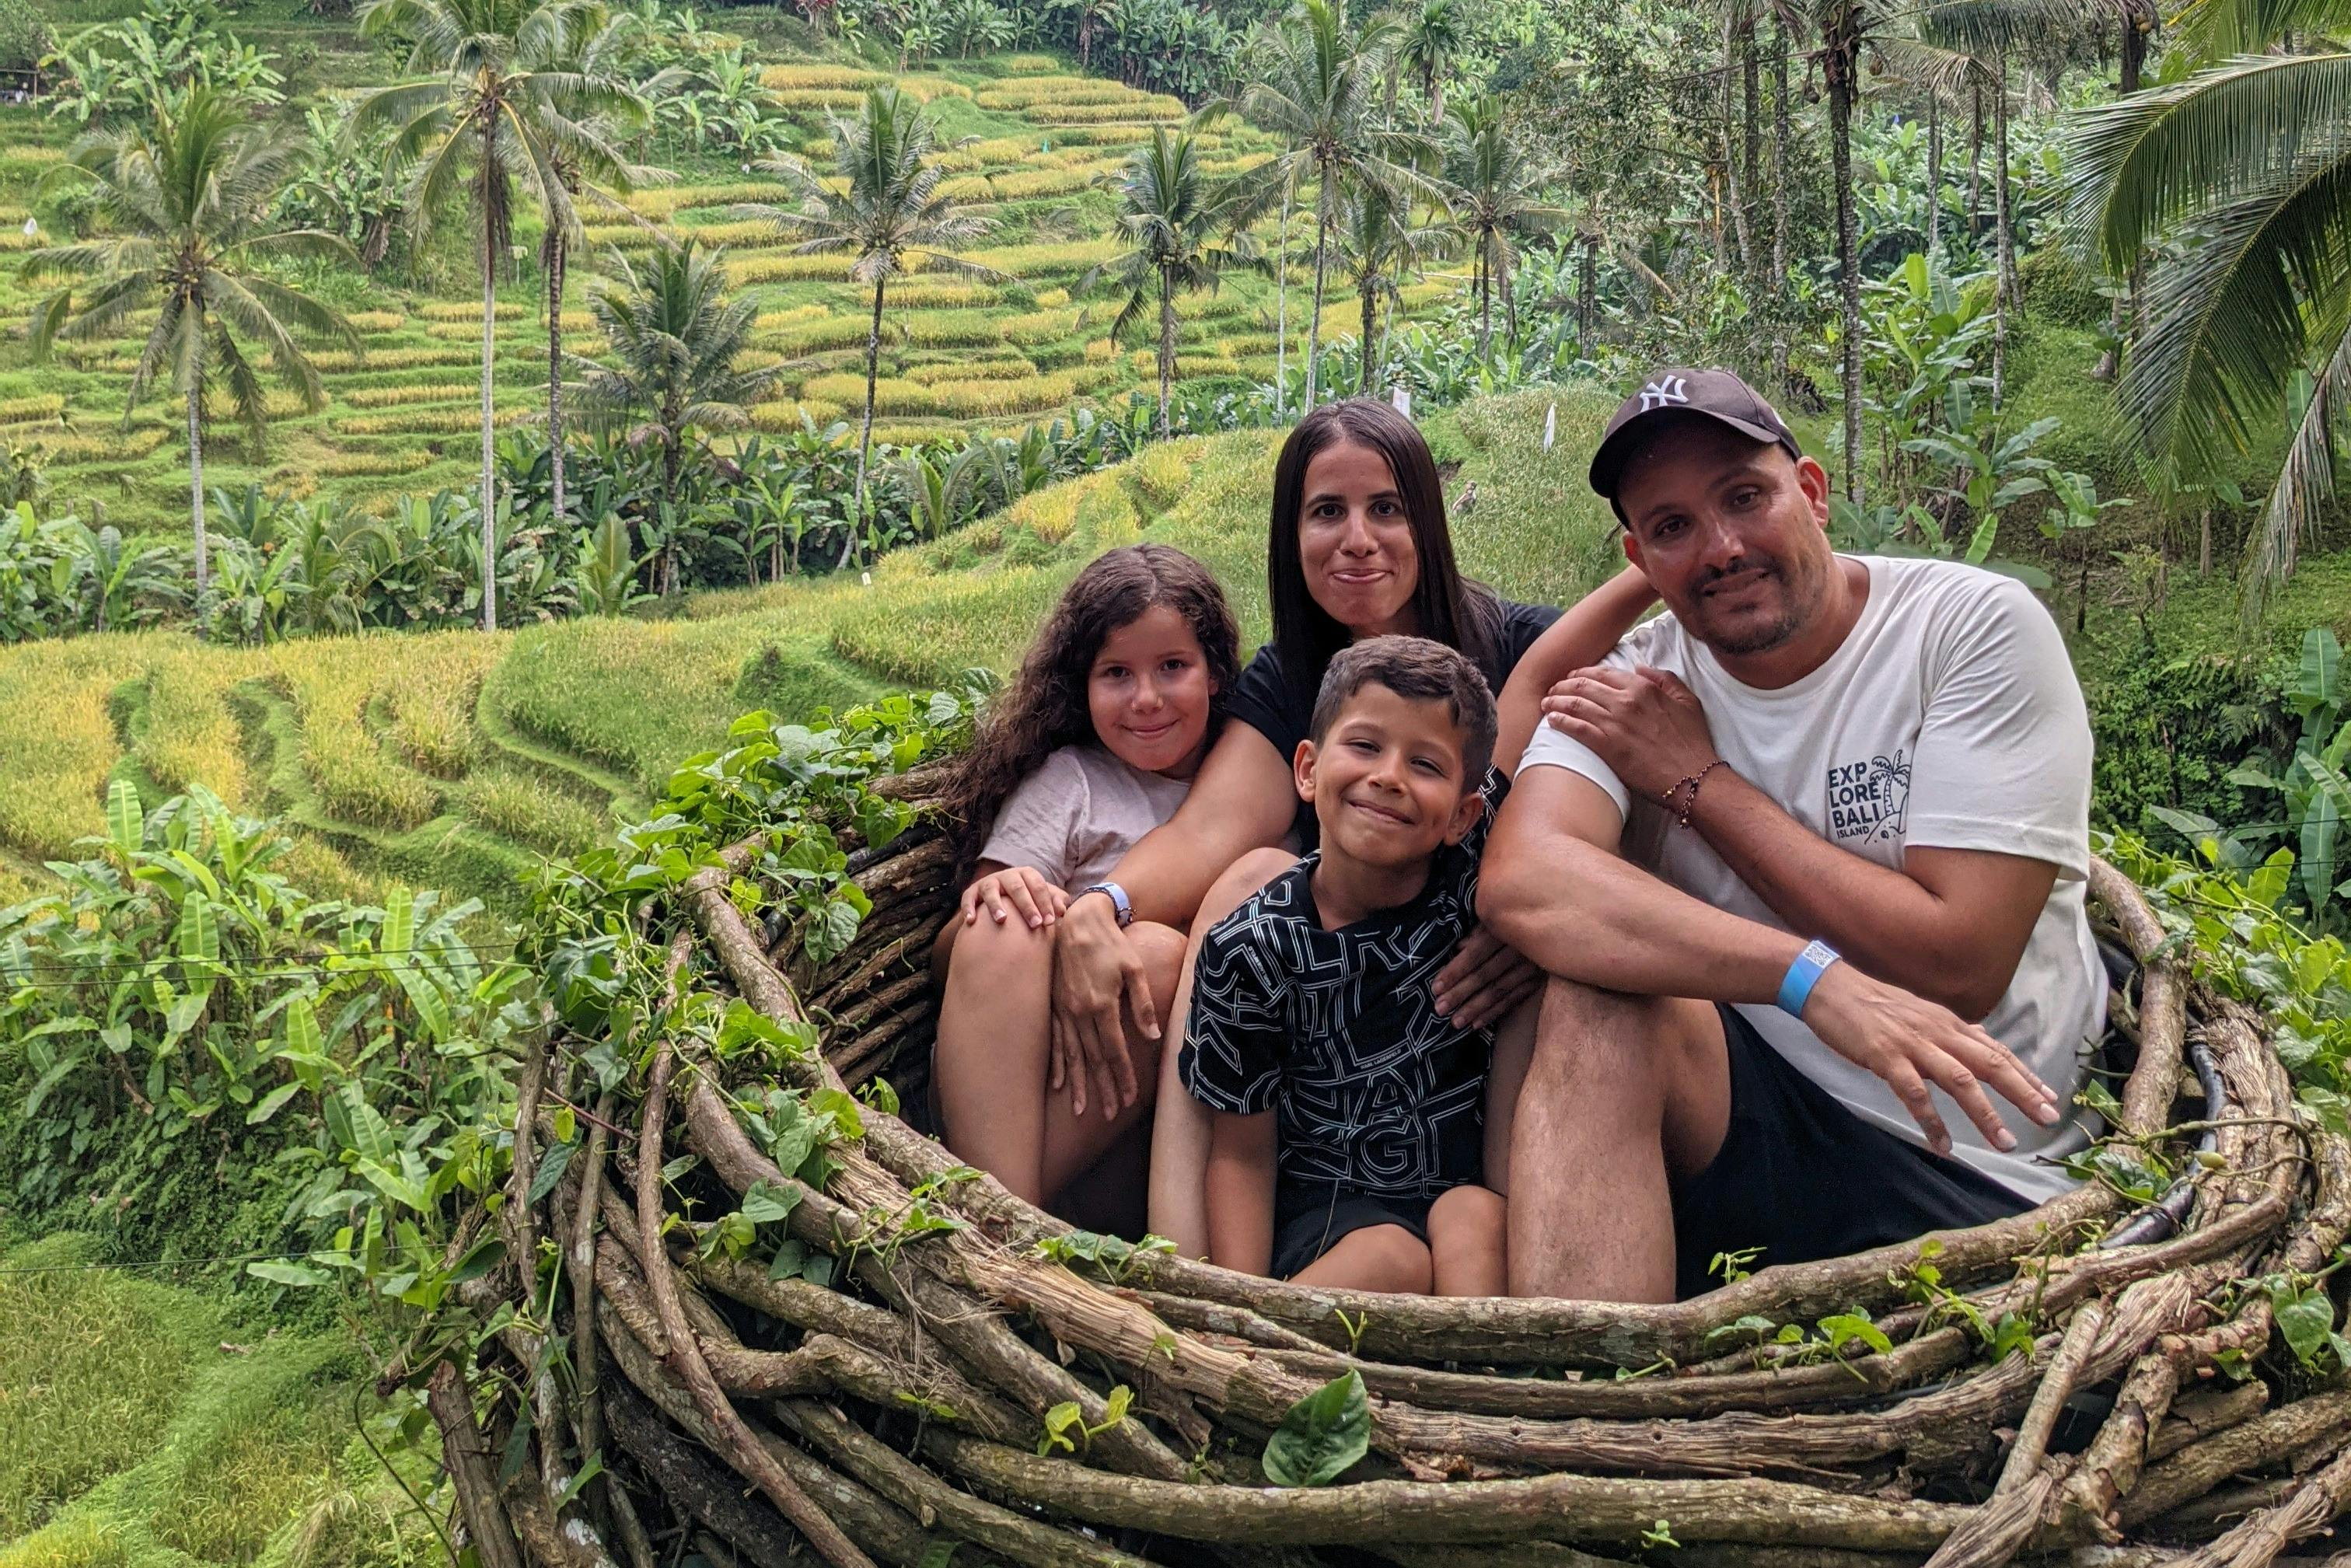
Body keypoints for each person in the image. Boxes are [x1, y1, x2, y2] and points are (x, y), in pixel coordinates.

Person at [1480, 366, 2098, 1304]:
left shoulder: (1967, 629)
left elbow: (1963, 959)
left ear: (1811, 491)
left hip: (1980, 1164)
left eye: (1744, 497)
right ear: (1641, 558)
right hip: (1755, 1118)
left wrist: (1698, 783)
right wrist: (1810, 979)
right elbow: (1526, 877)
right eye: (1674, 526)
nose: (1722, 547)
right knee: (1598, 1001)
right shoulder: (1633, 686)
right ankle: (1591, 1387)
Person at [1043, 398, 1659, 1256]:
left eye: (1387, 508)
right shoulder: (1290, 679)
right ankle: (1186, 1269)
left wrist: (1536, 924)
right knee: (1248, 880)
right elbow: (1210, 833)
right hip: (1330, 1068)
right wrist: (1101, 904)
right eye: (1327, 511)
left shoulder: (1515, 646)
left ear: (1427, 522)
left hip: (1480, 1021)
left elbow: (1608, 810)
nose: (1358, 539)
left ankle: (1526, 1265)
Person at [1182, 637, 1509, 1293]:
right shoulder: (1249, 950)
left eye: (1425, 763)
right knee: (1394, 1255)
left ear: (1462, 815)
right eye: (1364, 745)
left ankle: (1473, 1364)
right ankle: (1265, 1344)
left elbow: (1544, 696)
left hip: (1454, 1194)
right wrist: (1243, 1299)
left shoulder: (1472, 886)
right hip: (1326, 1215)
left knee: (1476, 1216)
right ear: (1307, 769)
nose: (1388, 776)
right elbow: (1242, 1155)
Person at [930, 543, 1240, 1212]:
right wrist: (1029, 906)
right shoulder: (1072, 781)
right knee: (1005, 916)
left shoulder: (1240, 791)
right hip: (1015, 1085)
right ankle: (1005, 1222)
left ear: (1215, 673)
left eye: (1173, 667)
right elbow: (957, 953)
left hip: (1147, 1136)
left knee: (1159, 957)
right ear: (1082, 684)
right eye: (1117, 673)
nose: (1147, 699)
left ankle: (997, 1220)